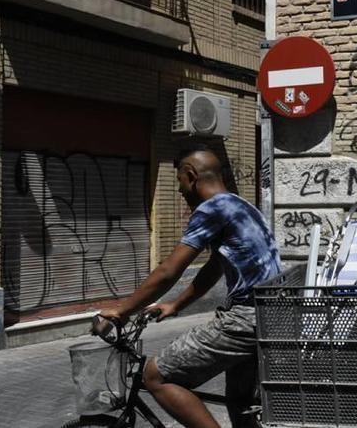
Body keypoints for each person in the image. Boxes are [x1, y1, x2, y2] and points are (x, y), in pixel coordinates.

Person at [95, 144, 281, 428]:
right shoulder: (240, 205)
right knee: (239, 402)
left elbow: (169, 270)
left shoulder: (211, 209)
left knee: (155, 376)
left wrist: (121, 310)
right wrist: (176, 304)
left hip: (245, 319)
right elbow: (215, 266)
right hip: (268, 316)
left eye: (179, 181)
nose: (180, 191)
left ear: (191, 175)